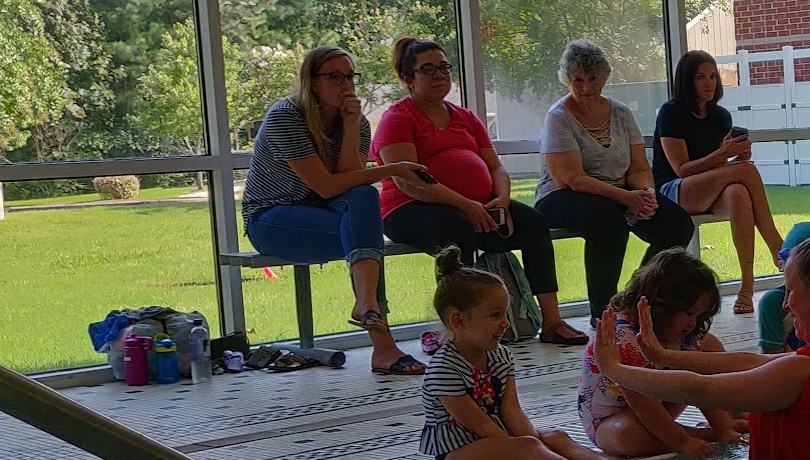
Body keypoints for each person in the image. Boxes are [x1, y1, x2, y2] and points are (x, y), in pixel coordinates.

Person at [589, 234, 810, 460]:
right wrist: (665, 357)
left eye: (790, 290)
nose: (785, 304)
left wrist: (615, 370)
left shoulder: (807, 370)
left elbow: (701, 390)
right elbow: (754, 362)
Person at [374, 36, 584, 346]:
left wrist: (501, 200)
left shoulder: (466, 117)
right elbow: (411, 181)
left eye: (443, 68)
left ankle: (552, 322)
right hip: (408, 209)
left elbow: (496, 167)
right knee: (457, 229)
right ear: (408, 79)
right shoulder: (397, 119)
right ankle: (459, 331)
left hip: (477, 208)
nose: (438, 75)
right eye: (428, 69)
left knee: (533, 223)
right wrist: (467, 206)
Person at [241, 44, 427, 376]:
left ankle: (368, 310)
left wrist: (351, 125)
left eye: (351, 77)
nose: (346, 85)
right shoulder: (286, 116)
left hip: (324, 213)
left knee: (364, 200)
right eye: (335, 77)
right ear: (313, 83)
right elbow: (326, 186)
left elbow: (350, 181)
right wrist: (393, 169)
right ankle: (383, 345)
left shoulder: (356, 121)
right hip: (271, 219)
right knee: (365, 234)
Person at [418, 253, 643, 460]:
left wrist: (537, 447)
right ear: (458, 321)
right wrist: (524, 453)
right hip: (458, 456)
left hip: (499, 441)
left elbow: (512, 410)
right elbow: (479, 424)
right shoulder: (443, 369)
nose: (506, 323)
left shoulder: (500, 355)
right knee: (529, 447)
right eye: (495, 316)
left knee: (555, 436)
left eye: (505, 314)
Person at [533, 39, 694, 321]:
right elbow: (572, 178)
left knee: (677, 224)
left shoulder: (621, 113)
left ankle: (636, 297)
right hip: (562, 195)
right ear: (567, 80)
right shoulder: (558, 117)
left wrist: (646, 194)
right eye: (578, 80)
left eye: (592, 79)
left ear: (604, 78)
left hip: (619, 193)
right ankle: (603, 312)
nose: (586, 87)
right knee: (608, 221)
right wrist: (627, 199)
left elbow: (639, 168)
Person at [652, 50, 788, 315]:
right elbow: (681, 169)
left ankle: (747, 287)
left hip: (706, 190)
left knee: (738, 192)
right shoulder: (672, 113)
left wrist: (735, 156)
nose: (709, 83)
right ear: (687, 81)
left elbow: (716, 168)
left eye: (713, 76)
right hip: (673, 190)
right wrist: (725, 157)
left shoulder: (720, 116)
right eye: (700, 77)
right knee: (746, 172)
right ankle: (777, 248)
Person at [578, 249, 743, 459]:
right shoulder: (624, 340)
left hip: (660, 403)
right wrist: (682, 442)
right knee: (626, 436)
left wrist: (724, 428)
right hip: (613, 418)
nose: (693, 322)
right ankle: (700, 434)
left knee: (709, 349)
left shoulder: (681, 333)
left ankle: (733, 416)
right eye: (689, 313)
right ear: (662, 306)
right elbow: (642, 405)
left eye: (699, 315)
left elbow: (702, 388)